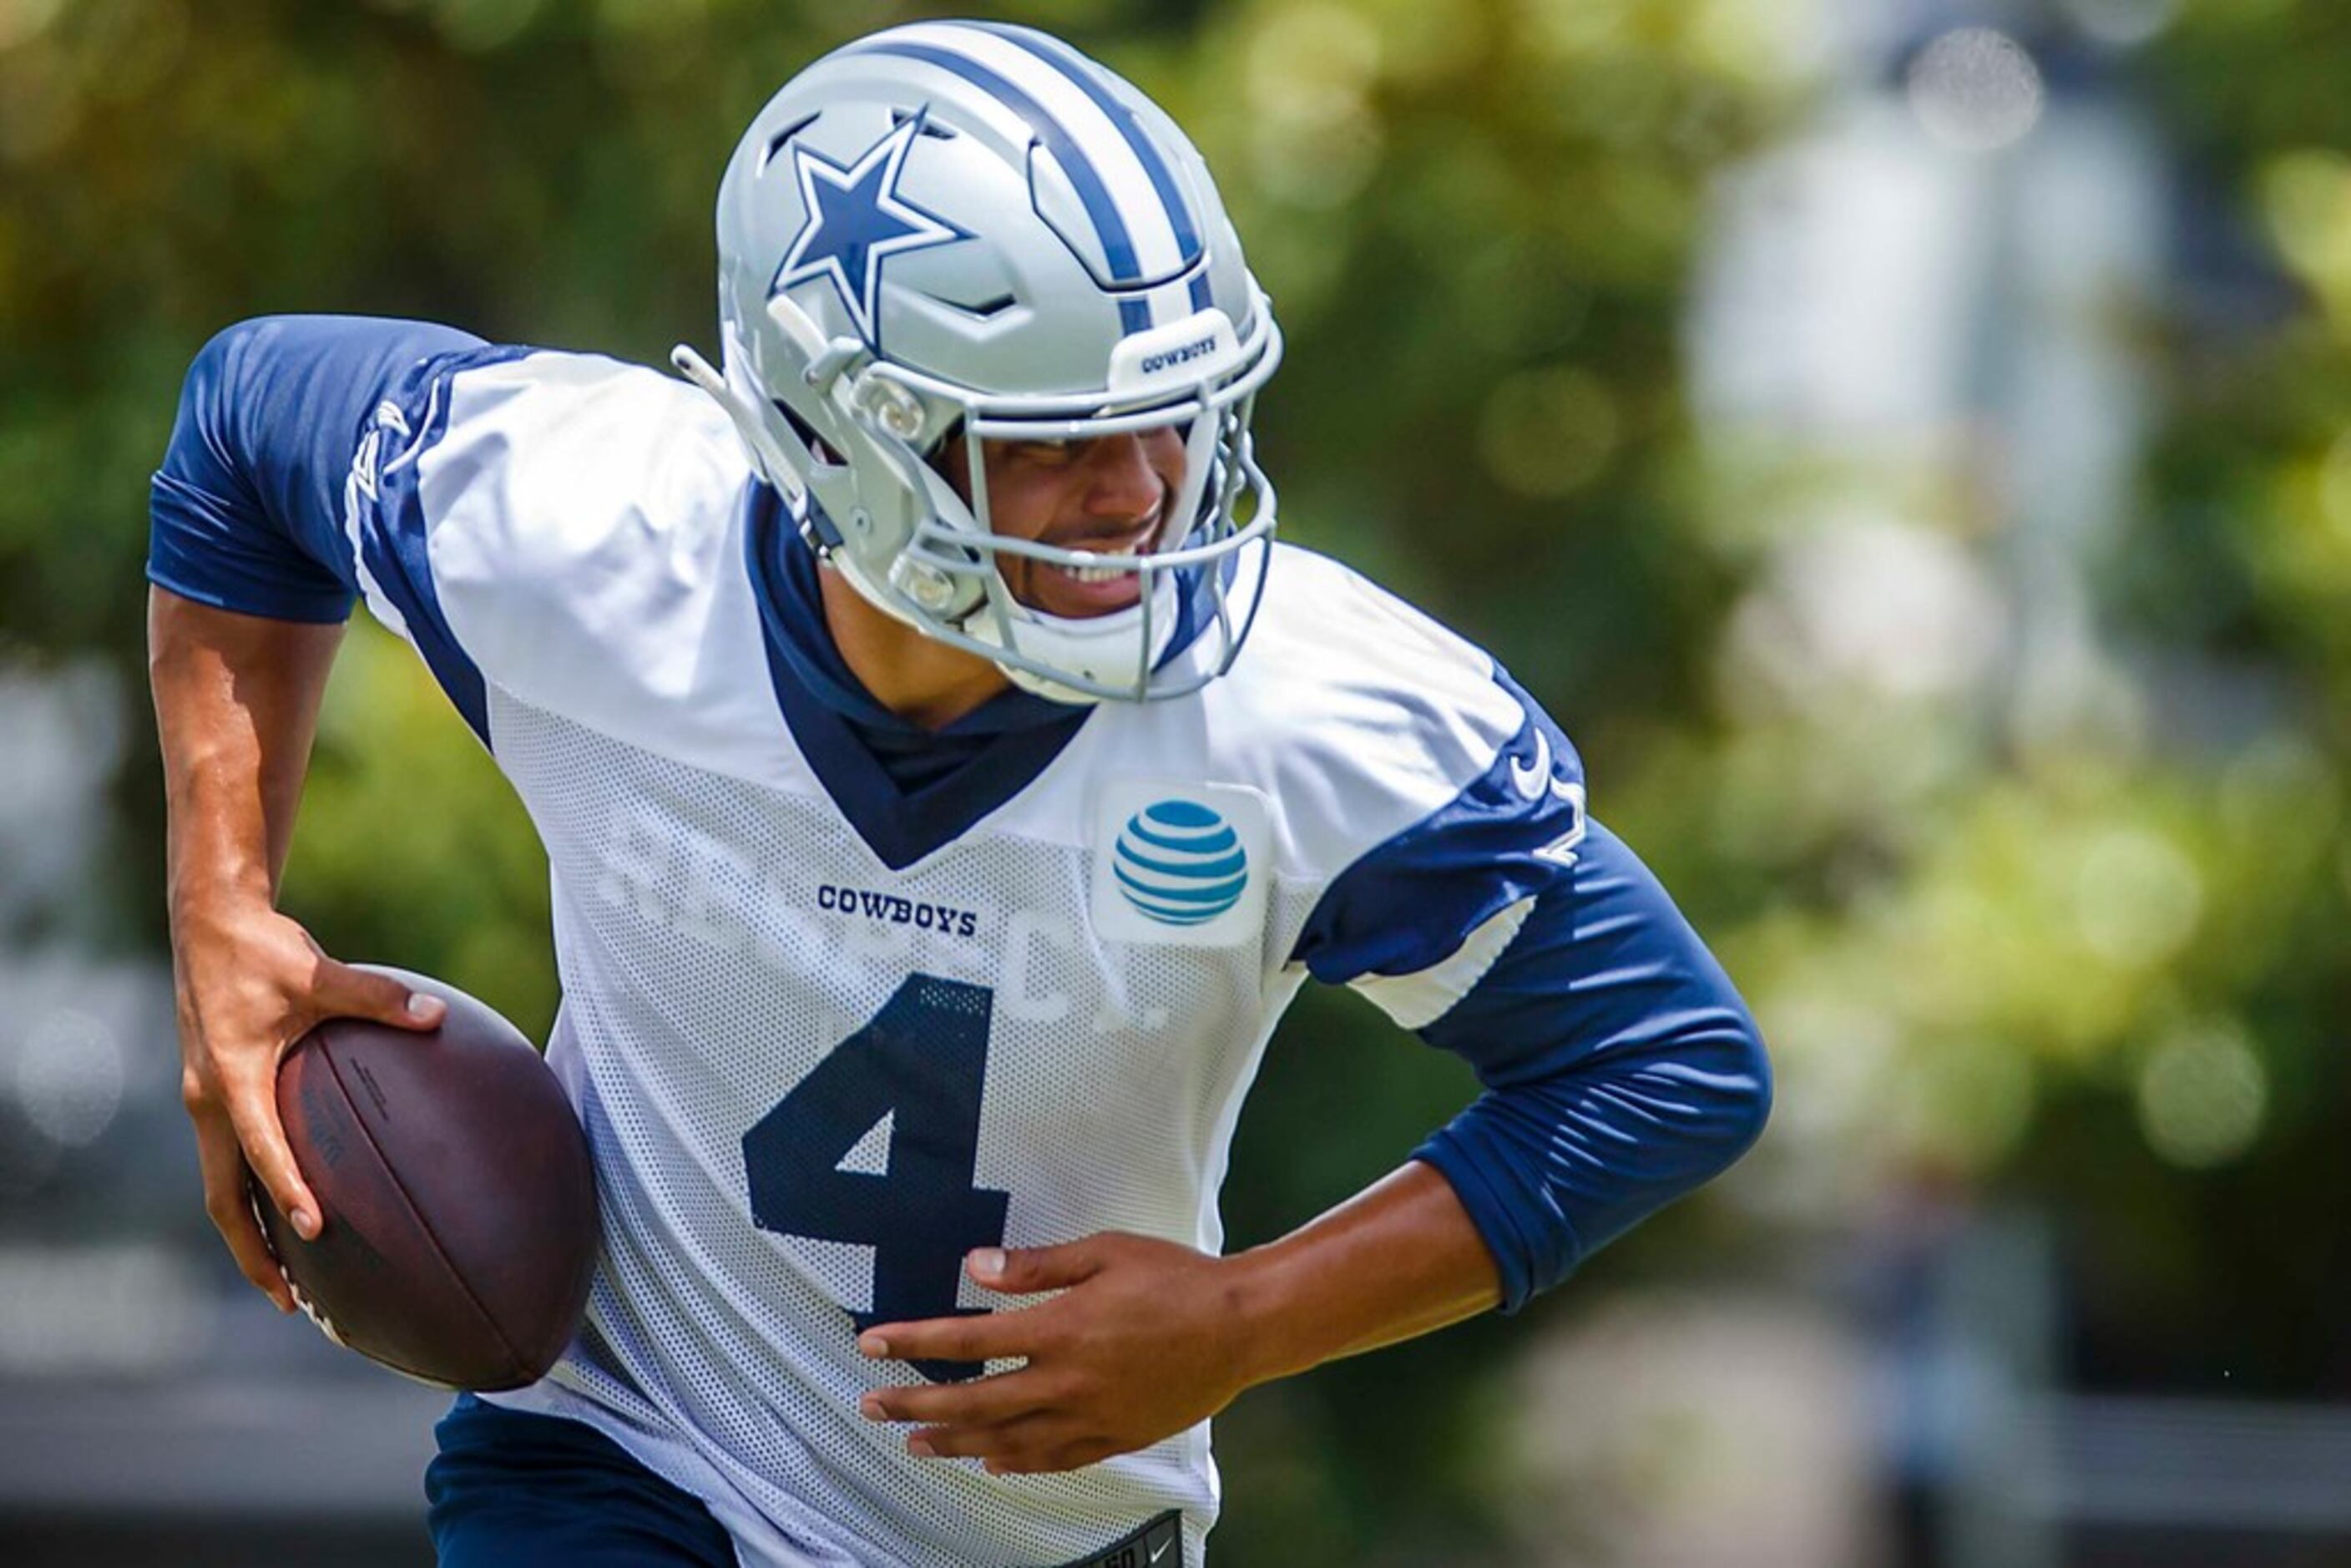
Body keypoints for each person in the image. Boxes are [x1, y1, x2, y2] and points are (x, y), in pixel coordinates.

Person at [147, 20, 1770, 1568]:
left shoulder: (1302, 711)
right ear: (841, 428)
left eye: (1171, 418)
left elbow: (1660, 1062)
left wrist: (1244, 1319)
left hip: (1048, 1535)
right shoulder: (597, 538)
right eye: (1057, 441)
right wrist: (224, 919)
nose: (1140, 498)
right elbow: (239, 433)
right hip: (624, 1452)